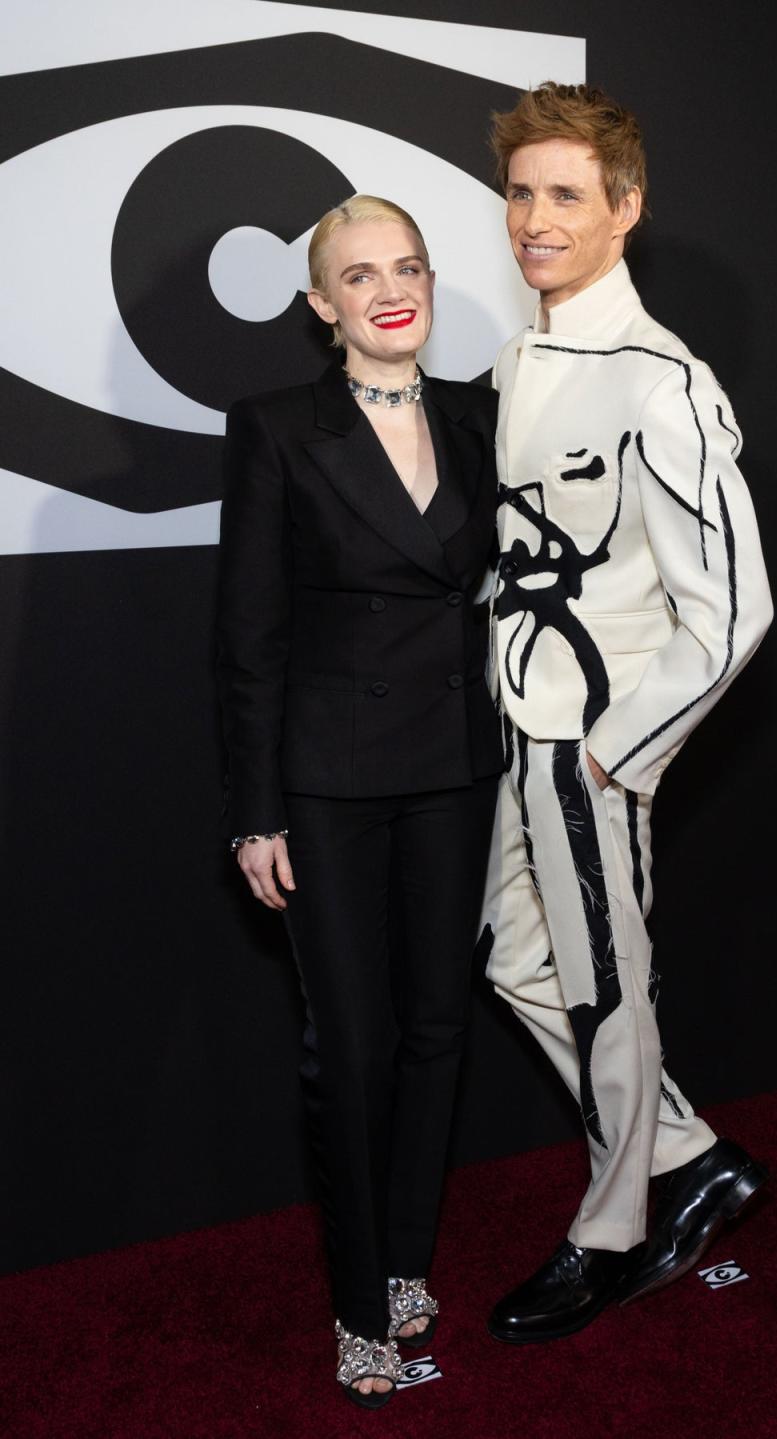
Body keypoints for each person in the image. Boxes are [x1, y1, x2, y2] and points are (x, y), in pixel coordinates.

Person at [478, 83, 774, 1343]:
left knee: (608, 991)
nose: (535, 220)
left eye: (564, 195)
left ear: (625, 209)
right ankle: (694, 1153)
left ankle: (609, 1235)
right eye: (521, 192)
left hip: (593, 741)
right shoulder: (518, 354)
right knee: (514, 958)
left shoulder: (663, 381)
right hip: (522, 727)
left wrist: (617, 753)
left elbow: (738, 607)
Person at [215, 195, 502, 1407]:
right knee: (353, 1043)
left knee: (440, 1025)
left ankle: (403, 1263)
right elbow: (249, 633)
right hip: (329, 782)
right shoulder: (279, 427)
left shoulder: (484, 414)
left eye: (410, 267)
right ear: (322, 304)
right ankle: (355, 1309)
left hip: (454, 760)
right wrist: (255, 808)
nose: (393, 289)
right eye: (360, 274)